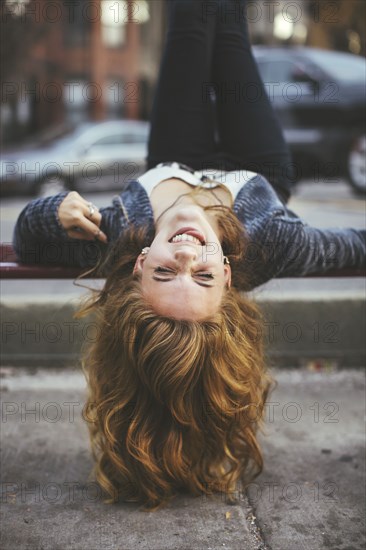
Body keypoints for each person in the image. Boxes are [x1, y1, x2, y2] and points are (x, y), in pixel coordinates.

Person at [13, 0, 365, 510]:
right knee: (229, 34)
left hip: (173, 156)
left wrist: (53, 212)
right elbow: (354, 244)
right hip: (256, 168)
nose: (185, 251)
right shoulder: (276, 241)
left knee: (190, 24)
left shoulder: (116, 233)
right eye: (200, 275)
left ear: (137, 265)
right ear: (227, 275)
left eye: (163, 270)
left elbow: (27, 236)